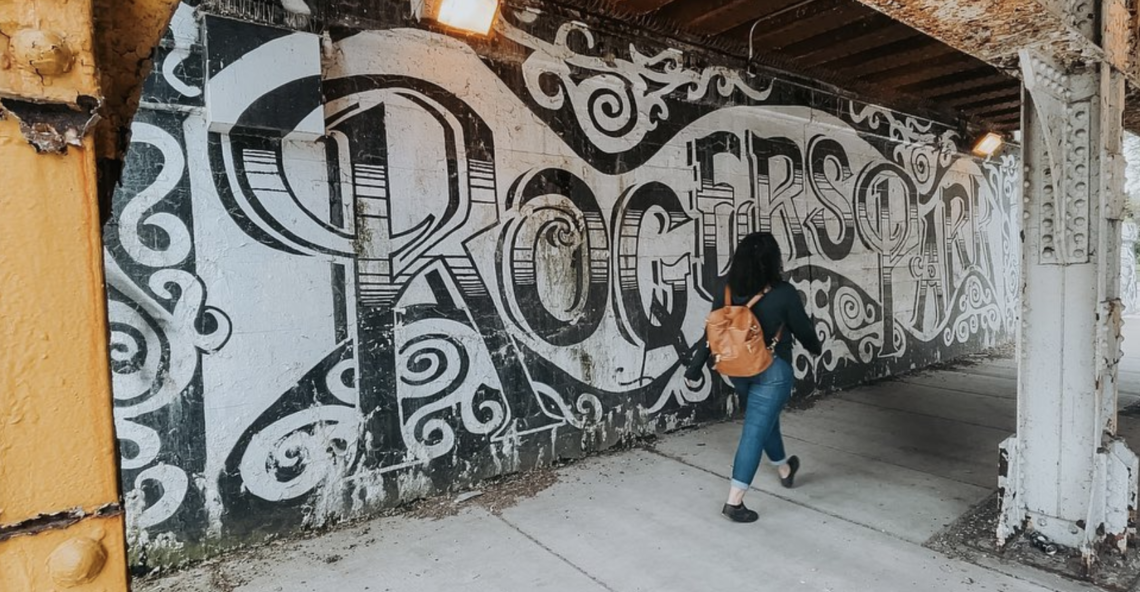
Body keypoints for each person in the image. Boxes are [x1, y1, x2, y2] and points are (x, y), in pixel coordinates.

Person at [684, 232, 822, 523]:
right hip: (772, 371)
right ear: (773, 260)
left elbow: (713, 331)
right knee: (755, 430)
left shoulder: (724, 287)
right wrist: (815, 347)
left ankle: (785, 469)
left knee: (764, 419)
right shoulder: (783, 292)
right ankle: (734, 502)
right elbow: (803, 329)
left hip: (736, 369)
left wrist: (695, 366)